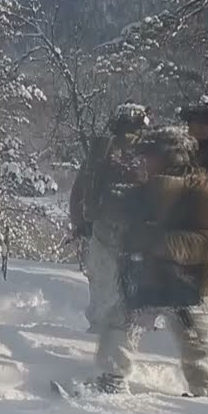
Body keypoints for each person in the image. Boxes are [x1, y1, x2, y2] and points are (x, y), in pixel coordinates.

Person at [92, 126, 208, 396]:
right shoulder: (152, 184)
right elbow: (122, 213)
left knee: (200, 343)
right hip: (156, 276)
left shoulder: (199, 186)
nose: (143, 160)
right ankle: (111, 378)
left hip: (196, 284)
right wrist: (115, 200)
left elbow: (206, 242)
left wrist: (155, 242)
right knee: (122, 322)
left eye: (149, 154)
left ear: (169, 156)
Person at [69, 103, 154, 333]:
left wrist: (80, 223)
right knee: (135, 292)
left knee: (103, 286)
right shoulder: (148, 154)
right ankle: (131, 338)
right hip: (138, 234)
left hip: (102, 230)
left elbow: (79, 190)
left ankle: (99, 338)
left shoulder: (101, 152)